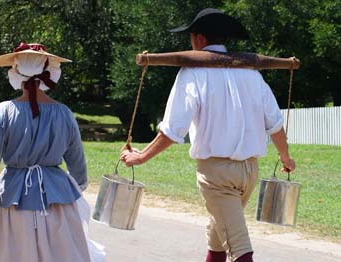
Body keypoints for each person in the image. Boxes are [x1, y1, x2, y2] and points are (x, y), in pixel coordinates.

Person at [121, 8, 295, 262]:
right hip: (249, 172)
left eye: (191, 36)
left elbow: (172, 129)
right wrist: (286, 156)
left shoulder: (192, 73)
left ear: (199, 39)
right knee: (217, 239)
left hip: (216, 175)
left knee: (239, 248)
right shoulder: (251, 73)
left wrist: (141, 157)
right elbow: (275, 123)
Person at [0, 42, 105, 262]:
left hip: (14, 199)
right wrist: (76, 190)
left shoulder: (4, 111)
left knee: (17, 254)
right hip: (57, 199)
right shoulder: (64, 113)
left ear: (15, 72)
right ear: (50, 72)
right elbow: (77, 166)